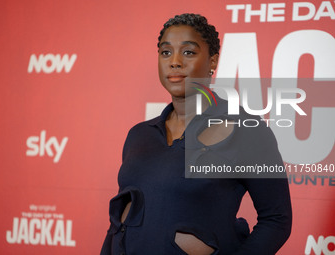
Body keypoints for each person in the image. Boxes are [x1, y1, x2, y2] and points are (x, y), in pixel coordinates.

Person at [101, 13, 292, 255]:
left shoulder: (247, 130)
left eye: (188, 52)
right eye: (166, 52)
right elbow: (119, 219)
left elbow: (277, 220)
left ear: (213, 61)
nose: (175, 62)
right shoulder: (139, 134)